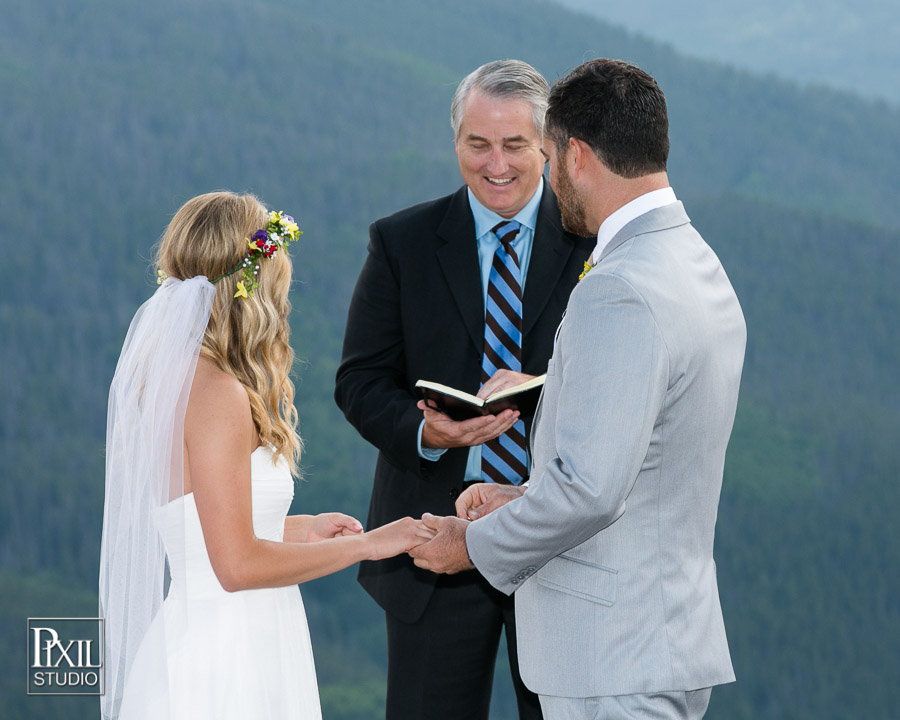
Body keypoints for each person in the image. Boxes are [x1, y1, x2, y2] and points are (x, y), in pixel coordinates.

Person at [410, 58, 747, 720]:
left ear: (578, 155)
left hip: (611, 657)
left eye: (547, 153)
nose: (549, 176)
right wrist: (525, 495)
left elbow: (592, 491)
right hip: (658, 637)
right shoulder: (692, 260)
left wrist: (471, 546)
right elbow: (635, 466)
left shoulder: (620, 288)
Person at [99, 191, 433, 720]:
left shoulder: (176, 381)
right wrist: (370, 545)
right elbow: (234, 565)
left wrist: (302, 529)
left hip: (228, 632)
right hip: (224, 657)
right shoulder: (217, 395)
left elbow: (205, 527)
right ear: (254, 280)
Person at [334, 60, 593, 719]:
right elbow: (359, 381)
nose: (495, 164)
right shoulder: (402, 243)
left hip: (559, 538)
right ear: (456, 143)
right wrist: (426, 432)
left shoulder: (593, 242)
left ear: (548, 147)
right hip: (431, 539)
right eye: (478, 144)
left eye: (514, 145)